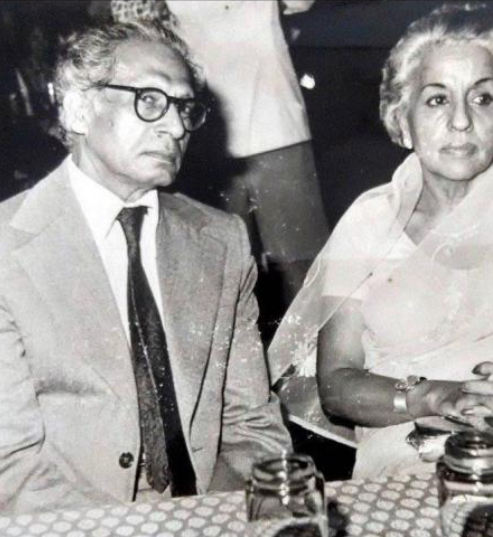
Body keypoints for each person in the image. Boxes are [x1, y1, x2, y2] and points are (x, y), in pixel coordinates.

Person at [268, 4, 493, 479]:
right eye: (437, 100)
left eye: (482, 98)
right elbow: (336, 386)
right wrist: (436, 395)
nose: (461, 121)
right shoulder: (368, 224)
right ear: (402, 119)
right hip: (411, 460)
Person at [0, 20, 291, 518]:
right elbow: (0, 473)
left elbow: (252, 427)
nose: (176, 127)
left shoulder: (222, 240)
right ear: (79, 109)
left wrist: (214, 523)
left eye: (185, 108)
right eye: (150, 100)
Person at [110, 0, 330, 315]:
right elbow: (134, 36)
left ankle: (316, 346)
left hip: (279, 130)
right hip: (210, 143)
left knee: (303, 267)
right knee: (222, 275)